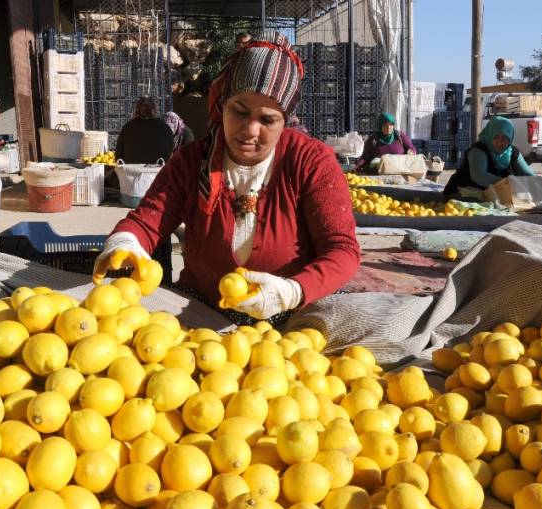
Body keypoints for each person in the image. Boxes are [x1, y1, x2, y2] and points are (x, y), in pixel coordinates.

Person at [93, 32, 360, 326]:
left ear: (286, 120)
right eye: (239, 111)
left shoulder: (311, 162)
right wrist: (126, 242)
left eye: (268, 120)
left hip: (290, 318)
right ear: (222, 104)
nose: (250, 129)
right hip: (199, 314)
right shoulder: (192, 162)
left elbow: (342, 250)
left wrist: (291, 291)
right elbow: (146, 222)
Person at [445, 116, 535, 198]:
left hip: (494, 198)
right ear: (490, 134)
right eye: (496, 137)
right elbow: (479, 176)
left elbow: (529, 176)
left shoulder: (513, 153)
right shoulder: (478, 150)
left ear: (510, 138)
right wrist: (510, 183)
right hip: (461, 196)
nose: (499, 143)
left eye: (504, 139)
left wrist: (540, 183)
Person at [114, 97, 174, 164]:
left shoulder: (127, 128)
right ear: (155, 110)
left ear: (136, 110)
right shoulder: (166, 128)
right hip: (158, 171)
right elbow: (171, 154)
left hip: (132, 172)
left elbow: (118, 156)